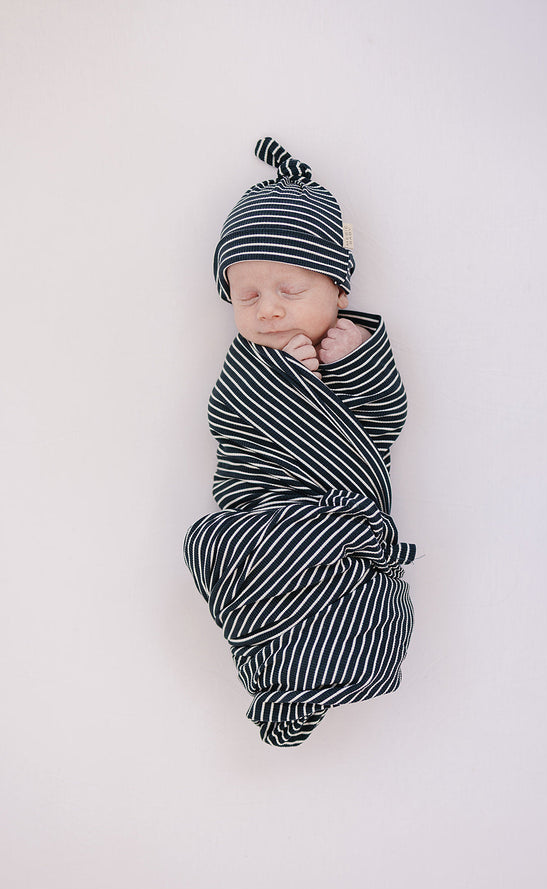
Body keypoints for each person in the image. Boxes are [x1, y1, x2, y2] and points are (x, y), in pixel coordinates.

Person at [184, 137, 416, 747]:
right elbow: (230, 424)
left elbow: (383, 426)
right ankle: (289, 675)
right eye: (247, 296)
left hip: (343, 526)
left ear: (338, 292)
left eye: (290, 292)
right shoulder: (249, 368)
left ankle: (313, 675)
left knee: (351, 601)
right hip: (272, 511)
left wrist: (360, 362)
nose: (266, 312)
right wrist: (286, 380)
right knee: (266, 562)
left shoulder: (351, 347)